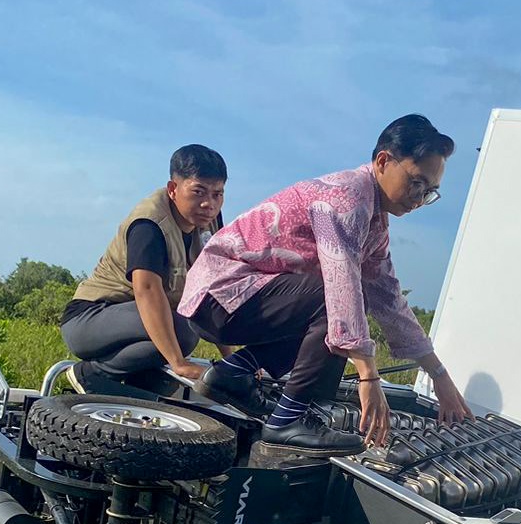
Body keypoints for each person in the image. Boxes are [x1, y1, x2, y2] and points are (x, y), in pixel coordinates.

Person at [178, 114, 473, 455]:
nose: (420, 198)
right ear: (383, 161)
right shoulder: (346, 199)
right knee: (335, 304)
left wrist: (439, 377)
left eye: (431, 192)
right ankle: (287, 420)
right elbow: (342, 282)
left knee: (337, 312)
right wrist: (368, 376)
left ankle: (231, 374)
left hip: (242, 299)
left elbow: (390, 299)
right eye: (417, 183)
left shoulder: (374, 223)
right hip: (222, 293)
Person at [60, 144, 227, 393]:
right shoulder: (149, 225)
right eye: (199, 192)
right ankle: (92, 374)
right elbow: (147, 291)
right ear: (173, 189)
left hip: (138, 324)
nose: (209, 204)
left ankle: (140, 392)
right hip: (90, 319)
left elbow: (211, 288)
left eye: (217, 194)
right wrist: (179, 364)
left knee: (181, 334)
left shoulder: (209, 223)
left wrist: (231, 361)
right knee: (184, 331)